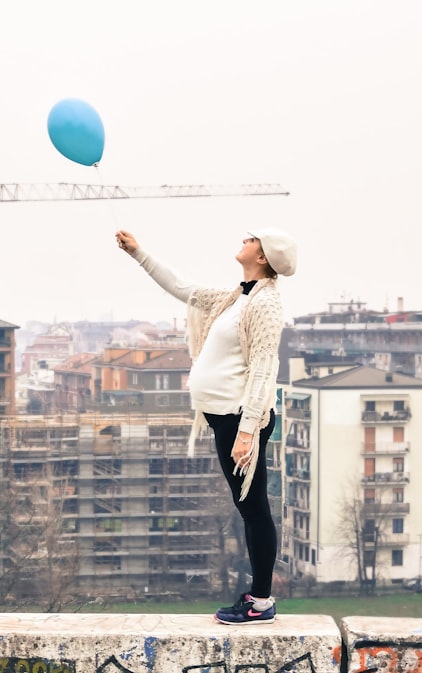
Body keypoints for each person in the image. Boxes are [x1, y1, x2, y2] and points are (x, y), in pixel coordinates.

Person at [115, 227, 297, 625]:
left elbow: (266, 366)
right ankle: (260, 596)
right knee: (249, 508)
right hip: (226, 419)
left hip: (240, 420)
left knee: (254, 510)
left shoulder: (264, 305)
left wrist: (248, 431)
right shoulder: (236, 297)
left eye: (252, 238)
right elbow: (183, 288)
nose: (244, 239)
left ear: (262, 257)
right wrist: (138, 252)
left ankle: (261, 602)